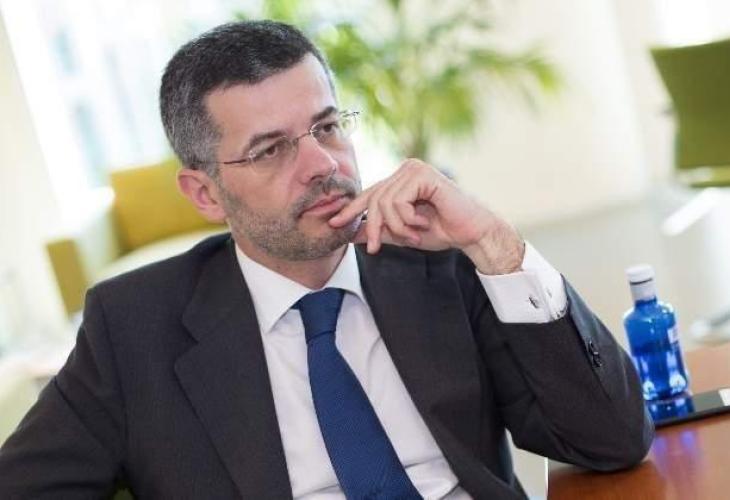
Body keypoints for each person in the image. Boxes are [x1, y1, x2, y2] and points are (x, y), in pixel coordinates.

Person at [0, 20, 652, 499]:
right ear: (204, 193)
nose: (321, 163)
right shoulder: (132, 327)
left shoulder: (433, 261)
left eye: (327, 126)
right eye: (270, 149)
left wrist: (493, 245)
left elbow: (611, 440)